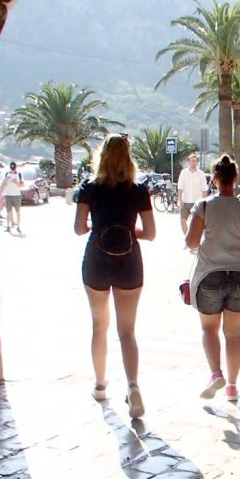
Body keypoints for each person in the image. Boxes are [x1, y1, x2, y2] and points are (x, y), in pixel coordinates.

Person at [74, 133, 156, 419]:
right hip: (129, 262)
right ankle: (133, 386)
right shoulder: (138, 190)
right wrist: (130, 232)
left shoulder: (89, 188)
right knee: (127, 331)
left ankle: (100, 384)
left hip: (96, 260)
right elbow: (152, 233)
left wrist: (97, 228)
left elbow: (78, 228)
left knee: (99, 326)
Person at [186, 154, 240, 404]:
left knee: (209, 329)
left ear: (213, 178)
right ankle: (232, 388)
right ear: (235, 178)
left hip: (209, 275)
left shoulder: (203, 207)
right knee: (233, 334)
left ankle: (216, 374)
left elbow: (191, 242)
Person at [177, 152, 208, 235]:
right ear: (188, 162)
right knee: (182, 220)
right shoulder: (183, 173)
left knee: (196, 224)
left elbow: (204, 189)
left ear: (197, 162)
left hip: (196, 202)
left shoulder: (201, 174)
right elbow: (180, 187)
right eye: (191, 161)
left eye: (195, 161)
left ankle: (196, 241)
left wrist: (204, 203)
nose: (193, 162)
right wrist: (180, 200)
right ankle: (187, 239)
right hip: (185, 201)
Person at [0, 161, 24, 232]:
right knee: (8, 211)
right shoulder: (7, 174)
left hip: (17, 195)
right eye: (11, 168)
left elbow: (22, 185)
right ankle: (8, 226)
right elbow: (3, 184)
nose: (12, 169)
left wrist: (16, 183)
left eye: (14, 168)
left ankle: (18, 226)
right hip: (8, 195)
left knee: (18, 211)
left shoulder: (19, 174)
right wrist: (0, 193)